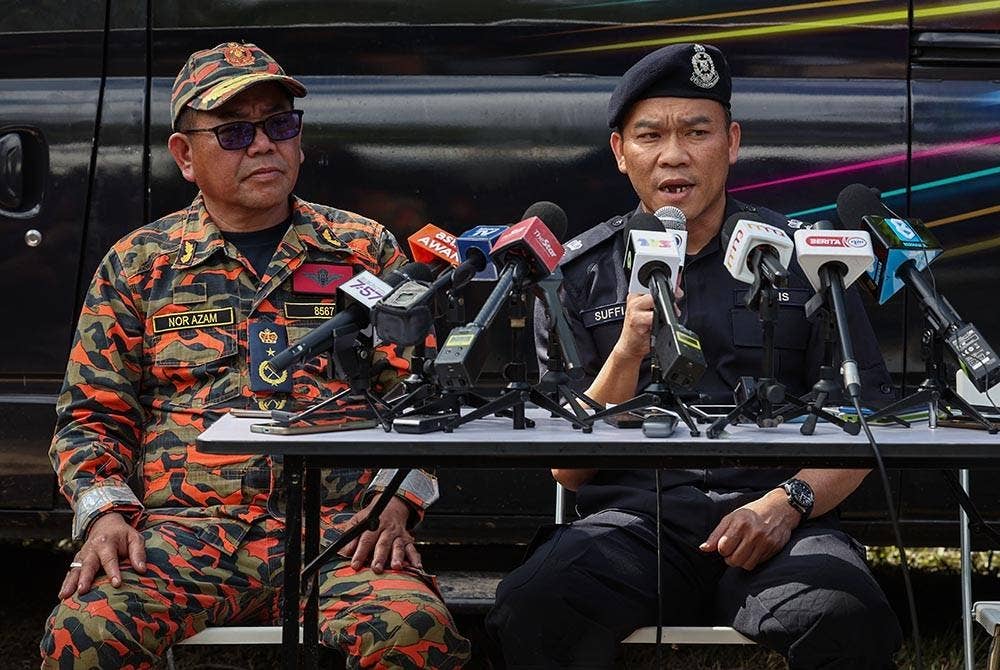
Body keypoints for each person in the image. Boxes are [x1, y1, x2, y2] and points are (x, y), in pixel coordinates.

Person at [40, 42, 469, 669]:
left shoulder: (362, 249)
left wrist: (397, 500)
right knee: (85, 634)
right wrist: (104, 514)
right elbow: (90, 416)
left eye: (279, 124)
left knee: (415, 631)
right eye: (235, 131)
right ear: (185, 156)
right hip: (184, 536)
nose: (263, 144)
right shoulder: (139, 264)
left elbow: (423, 398)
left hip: (342, 533)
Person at [487, 43, 902, 669]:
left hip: (777, 523)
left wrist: (786, 503)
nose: (674, 155)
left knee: (847, 618)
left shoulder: (805, 260)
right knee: (531, 607)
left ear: (732, 142)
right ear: (620, 152)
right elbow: (568, 471)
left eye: (696, 132)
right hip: (634, 528)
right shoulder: (579, 273)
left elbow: (866, 416)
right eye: (650, 135)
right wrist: (626, 351)